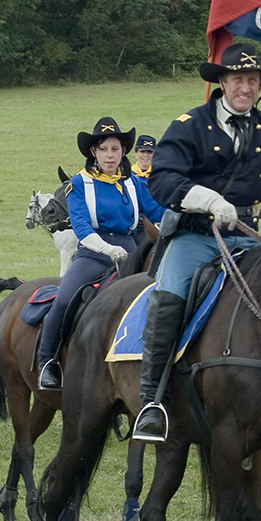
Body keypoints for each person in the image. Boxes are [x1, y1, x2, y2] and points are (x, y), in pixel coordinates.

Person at [133, 43, 261, 442]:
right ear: (222, 83)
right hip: (195, 234)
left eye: (253, 80)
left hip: (245, 236)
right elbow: (162, 179)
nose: (246, 87)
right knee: (170, 294)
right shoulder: (189, 125)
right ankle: (152, 400)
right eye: (238, 79)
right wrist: (207, 200)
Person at [36, 118, 166, 391]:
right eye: (104, 149)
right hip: (92, 255)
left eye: (115, 149)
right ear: (93, 152)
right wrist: (107, 249)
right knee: (63, 300)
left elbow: (158, 212)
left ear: (123, 152)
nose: (110, 155)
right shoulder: (77, 184)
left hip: (130, 254)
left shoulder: (134, 184)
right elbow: (82, 227)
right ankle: (47, 361)